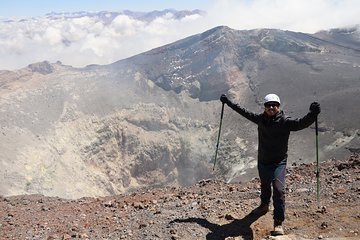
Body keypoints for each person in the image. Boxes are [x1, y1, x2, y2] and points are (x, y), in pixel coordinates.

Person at [220, 93, 320, 236]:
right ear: (265, 107)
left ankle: (278, 222)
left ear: (279, 107)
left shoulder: (285, 121)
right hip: (263, 160)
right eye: (268, 105)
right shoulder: (260, 119)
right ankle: (264, 206)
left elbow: (301, 123)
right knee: (265, 185)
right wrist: (228, 102)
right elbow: (243, 111)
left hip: (278, 162)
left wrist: (312, 114)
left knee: (278, 191)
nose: (271, 107)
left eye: (274, 105)